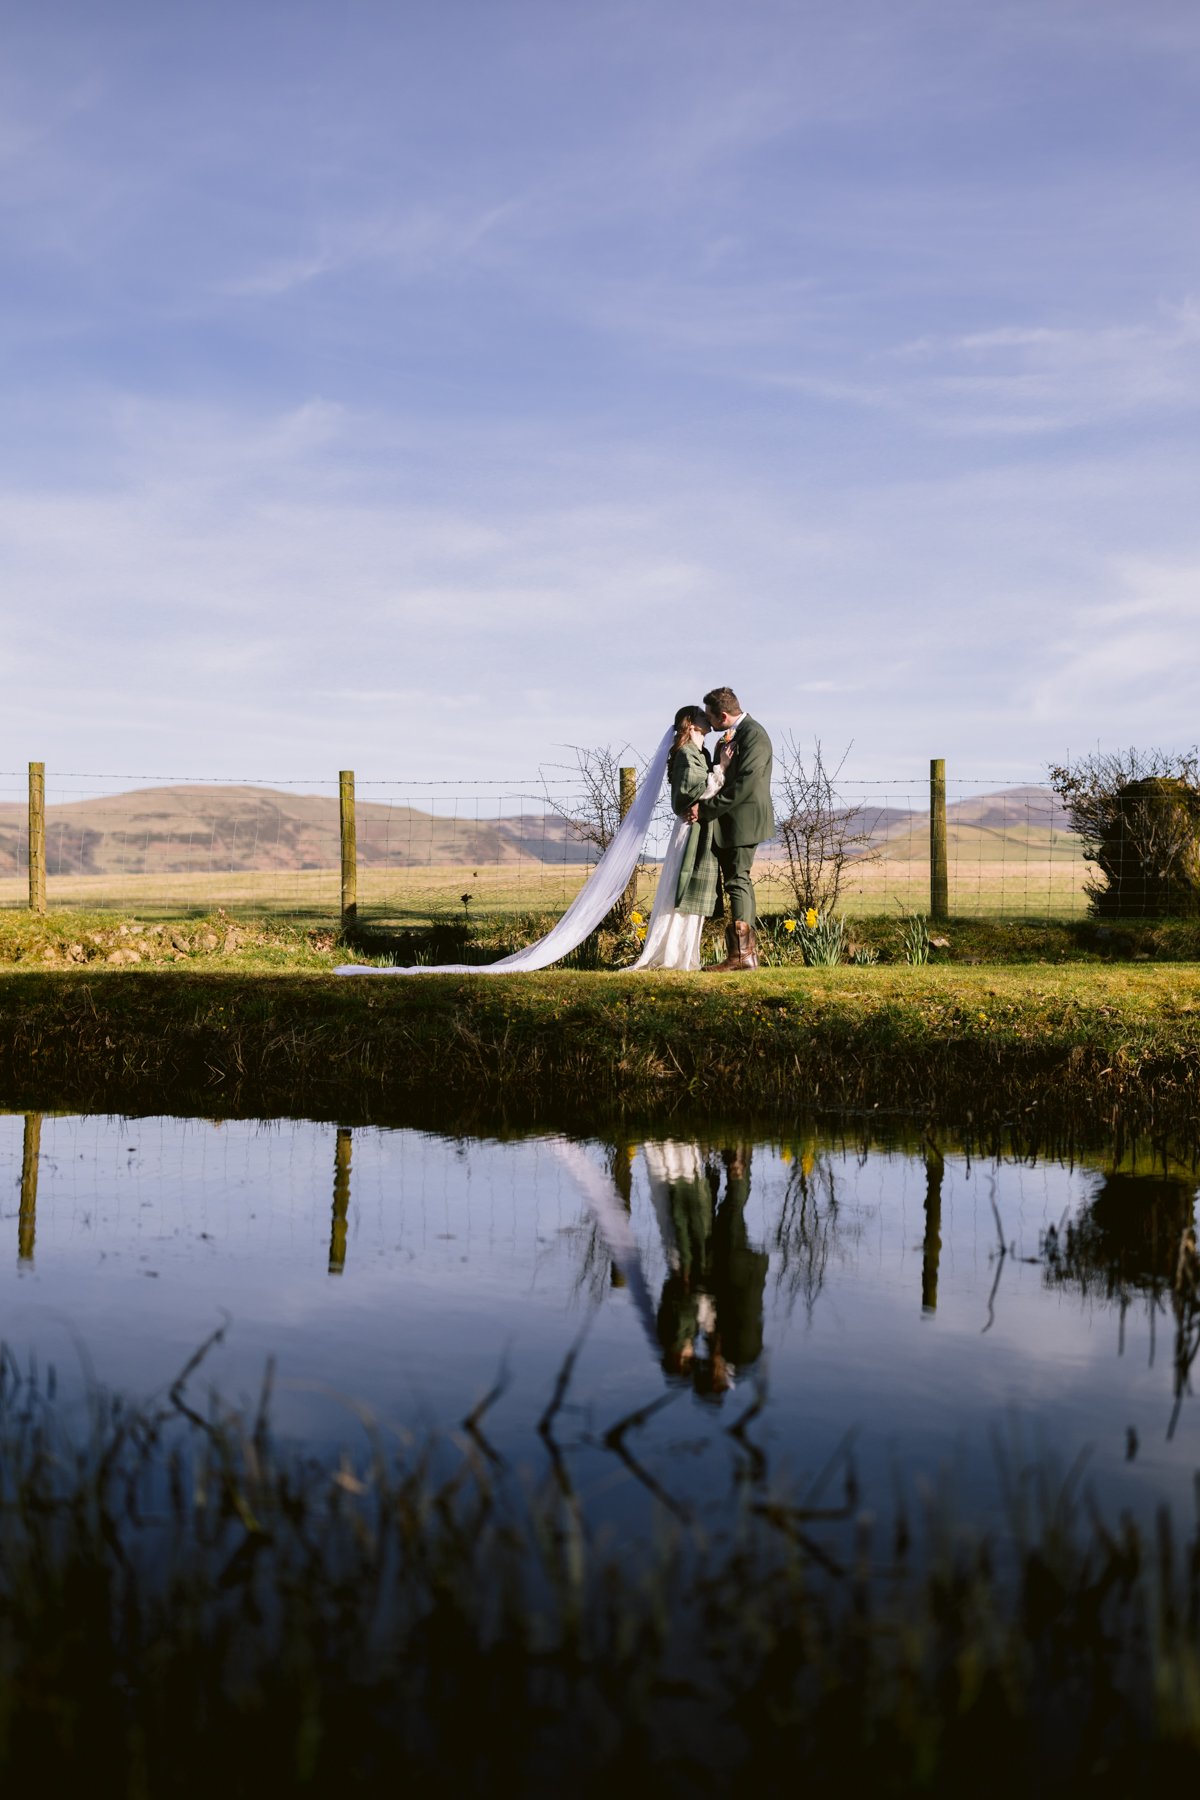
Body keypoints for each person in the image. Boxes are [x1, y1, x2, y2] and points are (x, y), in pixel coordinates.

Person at [631, 704, 730, 972]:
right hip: (690, 829)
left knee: (693, 892)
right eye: (702, 715)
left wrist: (717, 762)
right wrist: (721, 767)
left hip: (701, 827)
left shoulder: (701, 752)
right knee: (682, 888)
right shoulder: (686, 754)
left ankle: (684, 954)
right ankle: (672, 955)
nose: (708, 718)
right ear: (692, 724)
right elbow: (692, 795)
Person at [695, 685, 774, 972]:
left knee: (738, 880)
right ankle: (742, 954)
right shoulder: (735, 736)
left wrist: (705, 810)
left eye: (711, 717)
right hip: (731, 820)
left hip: (743, 820)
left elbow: (746, 784)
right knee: (735, 879)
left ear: (724, 715)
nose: (709, 722)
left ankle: (742, 956)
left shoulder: (754, 735)